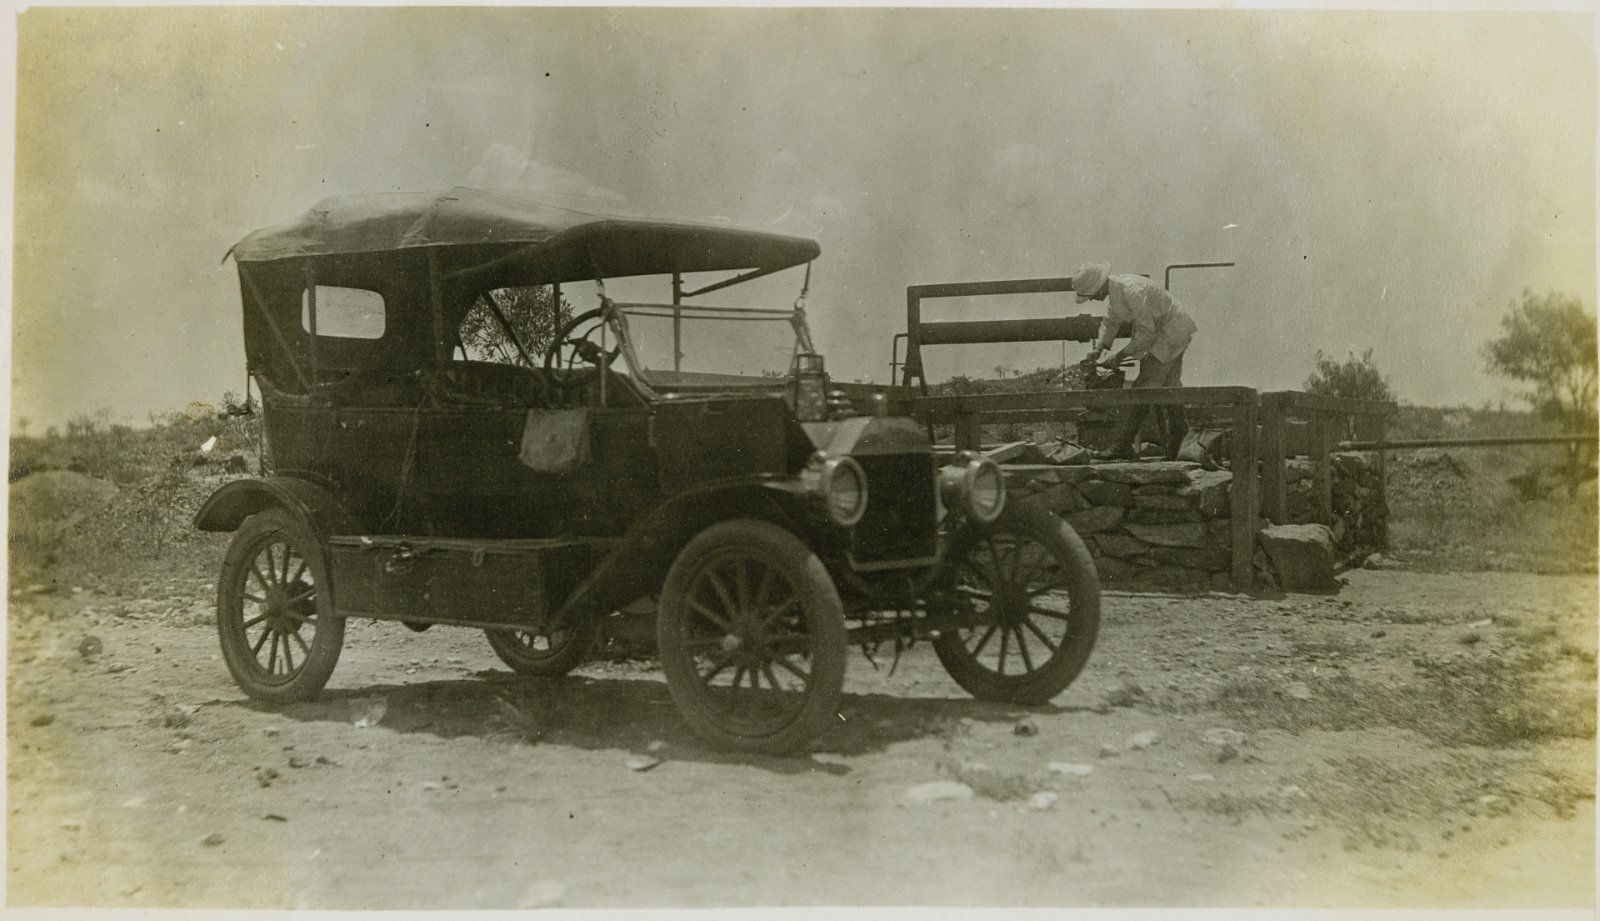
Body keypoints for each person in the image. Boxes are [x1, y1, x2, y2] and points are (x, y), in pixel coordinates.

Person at [1071, 262, 1197, 461]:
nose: (1093, 299)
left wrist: (1119, 356)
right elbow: (1110, 321)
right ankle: (1181, 444)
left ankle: (1122, 446)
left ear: (1099, 287)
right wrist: (1099, 348)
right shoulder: (1116, 292)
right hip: (1169, 332)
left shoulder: (1130, 290)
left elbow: (1147, 333)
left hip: (1171, 332)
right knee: (1170, 390)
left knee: (1143, 388)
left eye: (1091, 295)